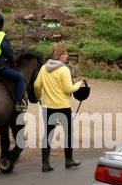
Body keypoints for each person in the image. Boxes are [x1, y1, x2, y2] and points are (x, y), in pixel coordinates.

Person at [34, 43, 85, 172]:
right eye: (64, 54)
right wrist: (79, 84)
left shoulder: (44, 68)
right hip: (63, 106)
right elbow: (69, 89)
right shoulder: (64, 70)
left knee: (48, 134)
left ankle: (45, 164)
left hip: (48, 106)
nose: (67, 56)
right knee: (68, 133)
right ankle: (69, 160)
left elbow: (36, 85)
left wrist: (39, 96)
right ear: (58, 55)